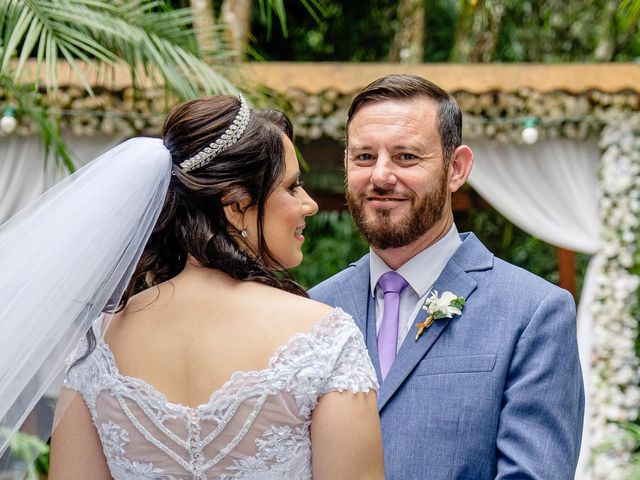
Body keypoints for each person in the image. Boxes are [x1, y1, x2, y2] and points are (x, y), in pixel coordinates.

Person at [0, 95, 384, 479]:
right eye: (292, 186)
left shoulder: (101, 343)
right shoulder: (325, 338)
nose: (310, 204)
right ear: (236, 205)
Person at [310, 74, 585, 479]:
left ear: (456, 168)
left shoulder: (533, 312)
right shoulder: (313, 308)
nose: (381, 177)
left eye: (406, 157)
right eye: (365, 157)